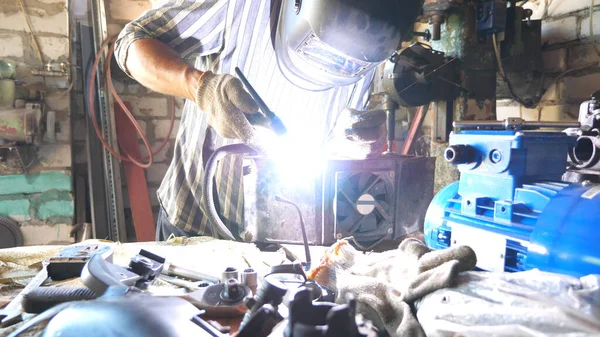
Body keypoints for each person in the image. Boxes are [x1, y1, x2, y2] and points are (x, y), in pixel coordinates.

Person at [114, 0, 421, 241]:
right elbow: (131, 43)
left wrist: (354, 146)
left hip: (290, 240)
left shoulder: (379, 33)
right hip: (198, 227)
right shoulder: (243, 5)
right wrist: (200, 86)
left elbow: (339, 136)